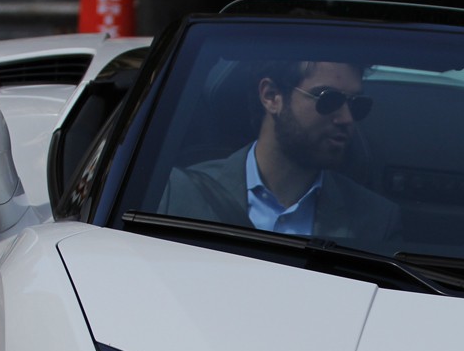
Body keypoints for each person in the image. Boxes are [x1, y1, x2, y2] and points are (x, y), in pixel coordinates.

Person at [161, 60, 399, 242]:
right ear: (271, 96)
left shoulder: (374, 220)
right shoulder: (177, 192)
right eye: (328, 99)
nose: (346, 118)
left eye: (357, 105)